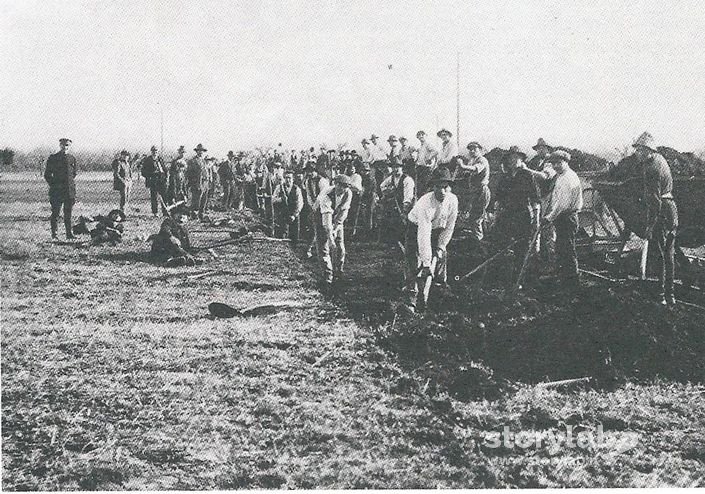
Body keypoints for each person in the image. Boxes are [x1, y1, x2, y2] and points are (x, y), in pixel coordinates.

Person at [521, 150, 583, 288]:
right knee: (561, 248)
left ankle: (572, 281)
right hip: (563, 217)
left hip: (567, 217)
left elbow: (562, 205)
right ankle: (564, 277)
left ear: (566, 162)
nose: (555, 166)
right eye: (553, 163)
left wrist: (548, 218)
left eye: (559, 163)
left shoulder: (567, 178)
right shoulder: (561, 176)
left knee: (567, 249)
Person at [633, 132, 679, 305]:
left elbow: (654, 202)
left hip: (661, 211)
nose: (636, 153)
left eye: (638, 150)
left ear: (647, 150)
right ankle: (671, 295)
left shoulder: (650, 168)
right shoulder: (661, 160)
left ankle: (660, 296)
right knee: (669, 254)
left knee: (658, 253)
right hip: (672, 209)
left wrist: (650, 226)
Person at [405, 168, 459, 312]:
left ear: (449, 187)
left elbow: (449, 227)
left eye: (445, 187)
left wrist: (441, 246)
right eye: (437, 186)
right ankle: (412, 299)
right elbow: (423, 234)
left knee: (442, 257)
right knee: (415, 263)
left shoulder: (453, 200)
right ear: (432, 187)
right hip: (416, 228)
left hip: (438, 230)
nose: (441, 191)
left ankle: (440, 291)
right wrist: (427, 263)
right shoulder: (426, 203)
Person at [492, 146, 541, 287]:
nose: (514, 161)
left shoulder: (527, 176)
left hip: (522, 216)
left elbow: (535, 199)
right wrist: (495, 217)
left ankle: (519, 280)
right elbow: (498, 199)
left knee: (522, 249)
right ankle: (499, 279)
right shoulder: (505, 178)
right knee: (499, 245)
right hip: (506, 215)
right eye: (511, 158)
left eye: (517, 158)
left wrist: (536, 219)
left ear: (522, 160)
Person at [313, 173, 353, 289]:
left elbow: (343, 214)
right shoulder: (327, 194)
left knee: (340, 246)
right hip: (320, 217)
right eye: (340, 185)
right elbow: (326, 221)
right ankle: (328, 276)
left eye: (346, 186)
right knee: (324, 248)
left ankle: (339, 272)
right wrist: (330, 237)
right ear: (335, 184)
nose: (343, 189)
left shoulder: (348, 193)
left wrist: (336, 229)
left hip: (336, 218)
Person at [527, 138, 557, 261]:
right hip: (537, 198)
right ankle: (537, 256)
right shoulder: (535, 161)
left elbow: (545, 176)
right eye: (538, 148)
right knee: (535, 227)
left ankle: (552, 257)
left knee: (548, 227)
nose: (540, 150)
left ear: (547, 149)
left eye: (542, 148)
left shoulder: (551, 161)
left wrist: (526, 170)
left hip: (549, 197)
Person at [45, 137, 78, 240]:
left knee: (68, 213)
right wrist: (54, 185)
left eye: (67, 145)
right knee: (56, 213)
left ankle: (69, 234)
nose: (65, 147)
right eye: (63, 145)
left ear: (70, 146)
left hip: (69, 191)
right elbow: (47, 175)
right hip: (57, 191)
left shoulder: (72, 158)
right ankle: (54, 234)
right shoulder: (53, 158)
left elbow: (74, 174)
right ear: (60, 145)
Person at [458, 141, 491, 242]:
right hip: (474, 191)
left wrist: (463, 166)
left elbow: (475, 169)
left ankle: (479, 241)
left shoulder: (482, 160)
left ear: (480, 150)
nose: (472, 151)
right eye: (470, 149)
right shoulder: (472, 160)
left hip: (481, 191)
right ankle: (479, 238)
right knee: (474, 216)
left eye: (475, 149)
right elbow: (467, 173)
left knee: (476, 218)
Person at [379, 157, 415, 246]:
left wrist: (405, 209)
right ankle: (393, 242)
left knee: (405, 223)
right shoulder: (391, 177)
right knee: (391, 220)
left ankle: (404, 243)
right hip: (395, 204)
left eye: (398, 167)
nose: (395, 169)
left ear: (402, 167)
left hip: (407, 204)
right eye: (394, 167)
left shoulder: (407, 180)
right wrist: (388, 191)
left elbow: (408, 196)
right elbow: (382, 186)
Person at [302, 161, 330, 258]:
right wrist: (312, 207)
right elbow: (309, 195)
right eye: (307, 171)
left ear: (315, 171)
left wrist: (315, 207)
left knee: (325, 229)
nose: (309, 173)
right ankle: (309, 249)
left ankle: (327, 250)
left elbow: (322, 196)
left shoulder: (323, 181)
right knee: (313, 228)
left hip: (325, 207)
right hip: (314, 207)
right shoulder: (307, 181)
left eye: (311, 171)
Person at [273, 169, 304, 243]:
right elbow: (273, 199)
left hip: (293, 216)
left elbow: (300, 204)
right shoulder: (279, 187)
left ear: (293, 179)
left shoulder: (297, 189)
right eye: (286, 178)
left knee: (294, 237)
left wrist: (294, 215)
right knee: (282, 236)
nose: (288, 180)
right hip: (282, 215)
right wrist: (281, 199)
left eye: (289, 178)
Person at [141, 145, 168, 216]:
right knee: (154, 197)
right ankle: (155, 212)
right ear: (151, 152)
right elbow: (143, 172)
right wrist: (150, 175)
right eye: (153, 151)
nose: (155, 152)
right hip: (153, 180)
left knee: (164, 196)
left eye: (156, 151)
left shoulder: (160, 159)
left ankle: (165, 211)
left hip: (162, 180)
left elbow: (164, 168)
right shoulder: (148, 160)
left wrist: (166, 176)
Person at [185, 144, 210, 219]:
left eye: (202, 151)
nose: (201, 152)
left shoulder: (203, 161)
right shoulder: (192, 161)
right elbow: (189, 173)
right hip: (197, 183)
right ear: (197, 151)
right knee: (196, 200)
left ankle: (201, 214)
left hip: (205, 183)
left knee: (204, 199)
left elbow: (205, 171)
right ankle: (194, 214)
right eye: (199, 151)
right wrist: (195, 182)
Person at [415, 130, 438, 197]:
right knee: (420, 188)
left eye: (422, 134)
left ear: (426, 136)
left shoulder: (428, 144)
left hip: (426, 169)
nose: (421, 136)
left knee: (425, 187)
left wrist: (429, 158)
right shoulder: (421, 146)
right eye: (419, 135)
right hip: (421, 168)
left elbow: (436, 151)